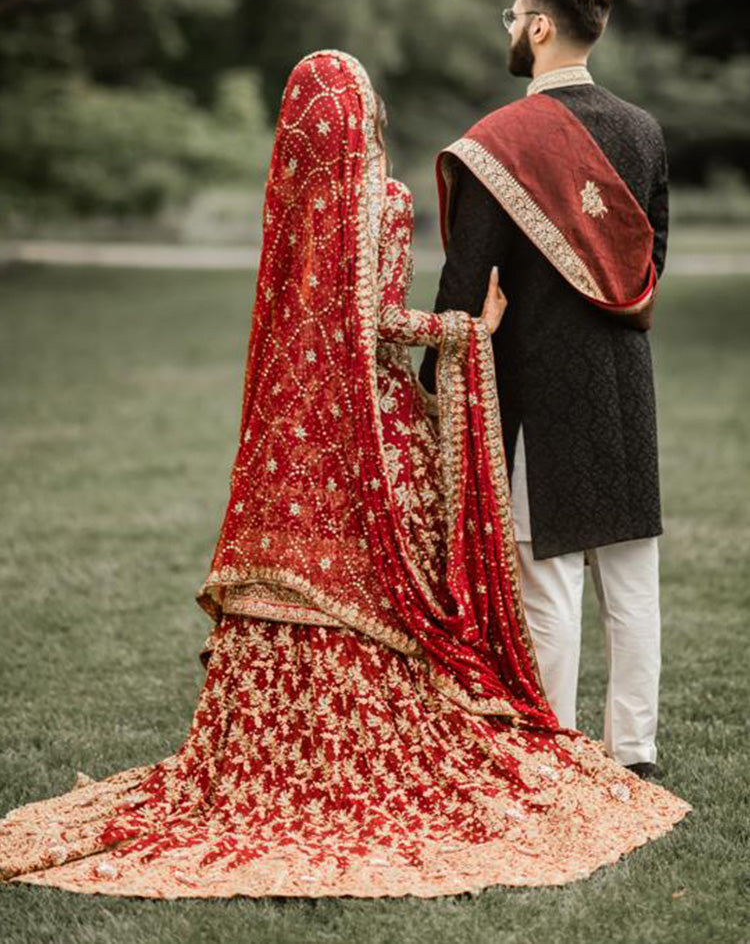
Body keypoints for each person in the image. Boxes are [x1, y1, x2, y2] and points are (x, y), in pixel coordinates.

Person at [0, 51, 687, 900]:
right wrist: (465, 335)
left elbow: (321, 322)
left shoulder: (293, 210)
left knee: (542, 577)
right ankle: (616, 740)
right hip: (392, 419)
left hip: (300, 427)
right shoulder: (387, 201)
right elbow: (381, 323)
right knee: (572, 577)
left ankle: (286, 745)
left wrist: (459, 326)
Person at [419, 0, 669, 779]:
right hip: (626, 382)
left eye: (513, 16)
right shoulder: (643, 130)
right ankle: (633, 753)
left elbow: (465, 279)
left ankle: (556, 751)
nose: (511, 29)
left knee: (550, 576)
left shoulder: (502, 141)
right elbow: (651, 259)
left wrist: (432, 379)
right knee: (631, 577)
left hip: (544, 380)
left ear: (539, 25)